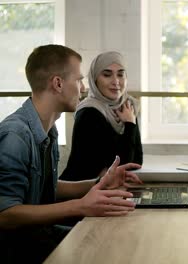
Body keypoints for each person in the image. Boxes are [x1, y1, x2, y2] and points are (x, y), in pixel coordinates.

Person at [0, 45, 143, 263]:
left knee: (120, 240)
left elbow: (48, 187)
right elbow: (6, 215)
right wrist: (81, 205)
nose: (84, 88)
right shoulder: (15, 135)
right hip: (20, 248)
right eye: (78, 80)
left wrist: (100, 181)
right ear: (57, 84)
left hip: (41, 233)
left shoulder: (49, 129)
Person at [60, 51, 143, 181]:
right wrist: (129, 125)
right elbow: (121, 165)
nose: (116, 81)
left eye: (121, 74)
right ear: (94, 79)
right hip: (78, 192)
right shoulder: (89, 113)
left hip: (104, 190)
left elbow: (136, 161)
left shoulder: (126, 106)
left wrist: (130, 122)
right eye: (107, 75)